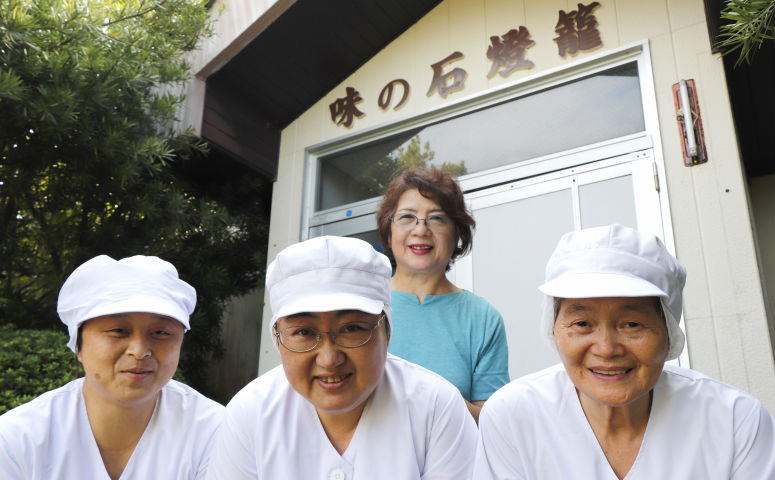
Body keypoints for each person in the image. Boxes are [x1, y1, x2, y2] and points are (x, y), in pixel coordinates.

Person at [473, 224, 775, 479]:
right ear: (553, 328)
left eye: (632, 324)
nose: (606, 348)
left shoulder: (735, 421)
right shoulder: (514, 417)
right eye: (582, 323)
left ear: (668, 331)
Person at [206, 235, 477, 479]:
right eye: (303, 332)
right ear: (278, 339)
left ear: (387, 332)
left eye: (351, 329)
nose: (328, 358)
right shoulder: (250, 413)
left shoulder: (436, 406)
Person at [0, 255, 223, 480]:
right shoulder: (19, 439)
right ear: (79, 345)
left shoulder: (214, 433)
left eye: (161, 332)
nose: (139, 350)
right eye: (118, 330)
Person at [376, 167, 509, 422]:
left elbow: (494, 424)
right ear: (389, 231)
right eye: (407, 217)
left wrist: (436, 397)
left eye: (436, 218)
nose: (421, 230)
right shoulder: (364, 305)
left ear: (457, 233)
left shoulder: (482, 317)